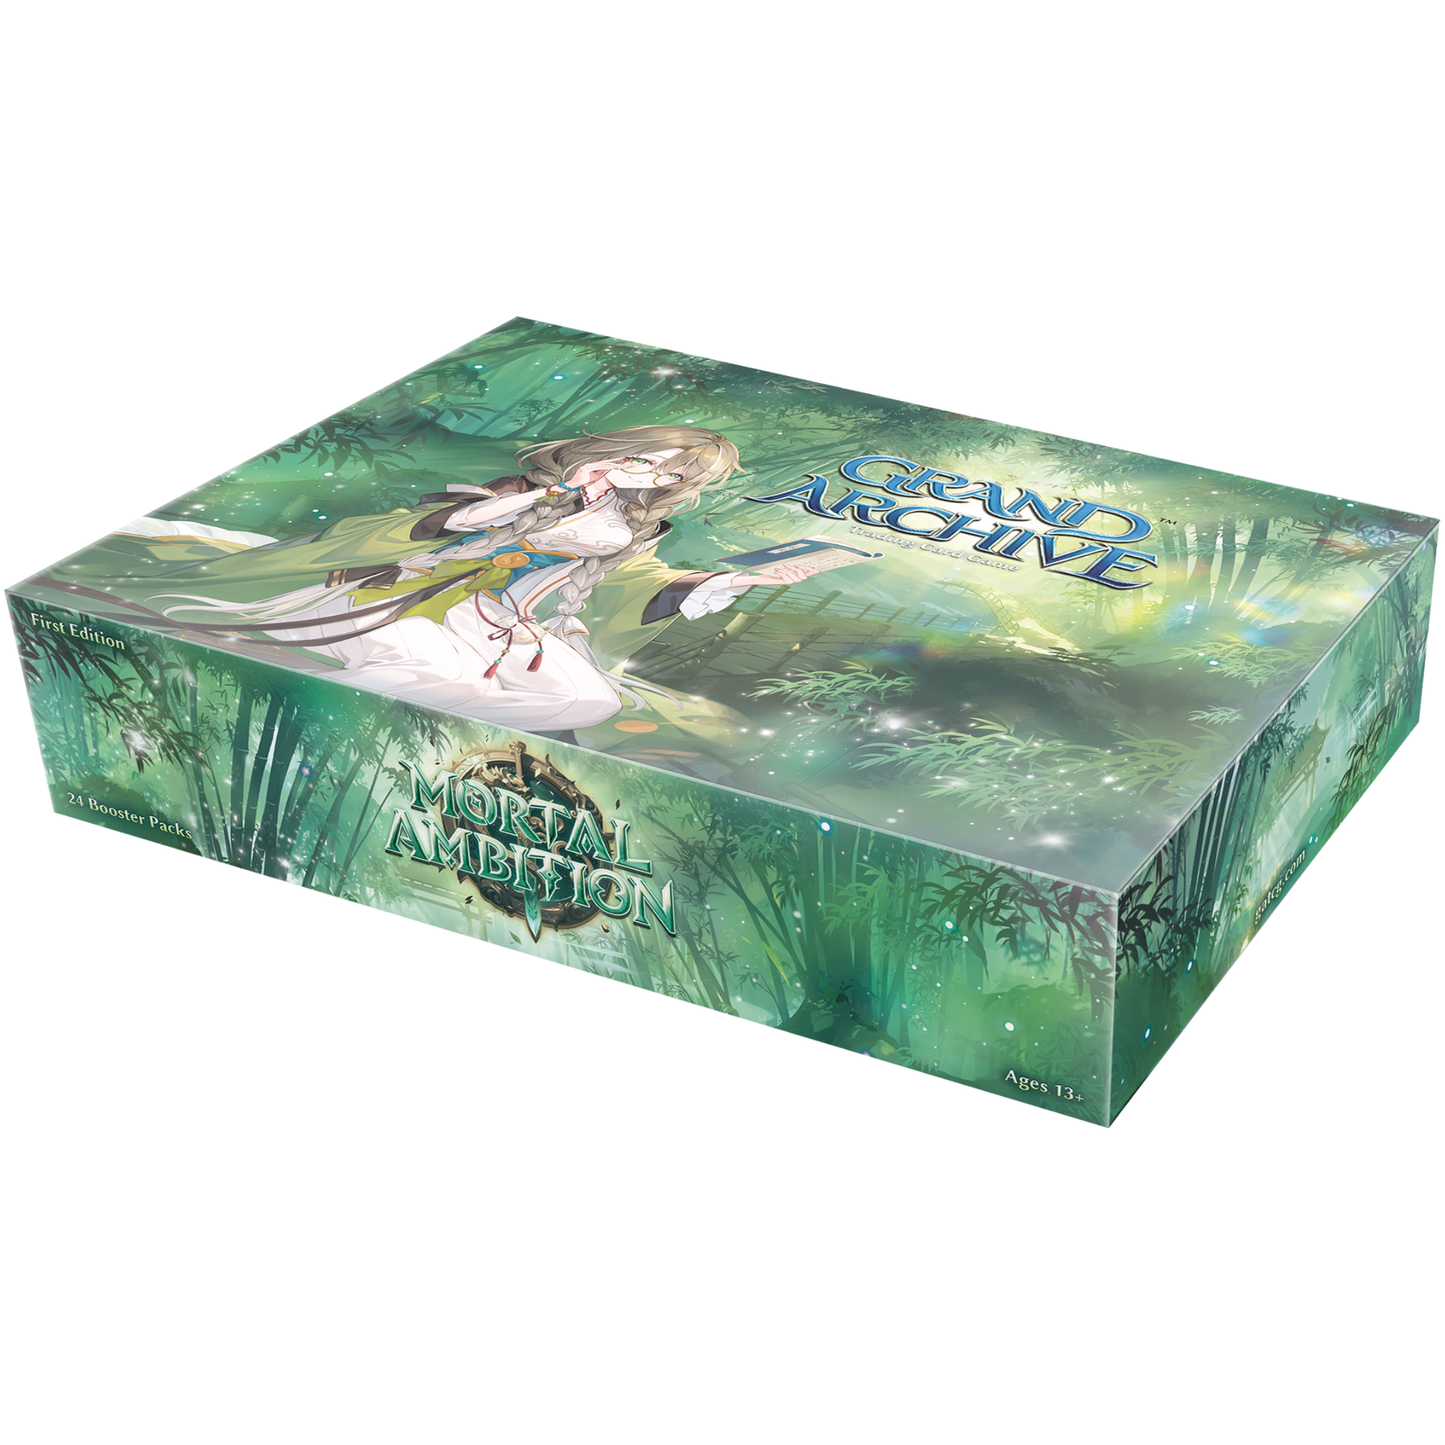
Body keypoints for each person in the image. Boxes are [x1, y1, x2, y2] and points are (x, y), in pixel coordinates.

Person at [38, 425, 822, 732]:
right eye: (643, 457)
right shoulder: (525, 491)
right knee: (409, 662)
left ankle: (418, 705)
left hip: (509, 626)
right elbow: (423, 529)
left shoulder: (631, 526)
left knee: (593, 700)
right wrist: (476, 518)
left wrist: (720, 584)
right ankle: (361, 702)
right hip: (417, 596)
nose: (644, 474)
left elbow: (632, 577)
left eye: (665, 473)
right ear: (619, 447)